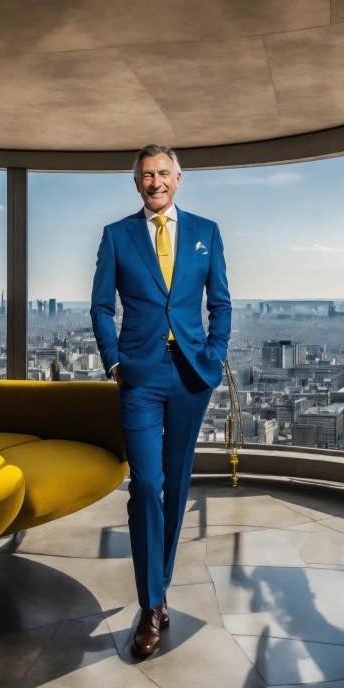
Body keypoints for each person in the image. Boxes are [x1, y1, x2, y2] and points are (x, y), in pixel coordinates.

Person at [91, 144, 231, 654]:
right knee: (146, 484)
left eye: (164, 173)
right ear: (137, 183)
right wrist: (115, 362)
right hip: (140, 377)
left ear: (178, 178)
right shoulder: (116, 236)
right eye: (147, 175)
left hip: (191, 375)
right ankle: (150, 605)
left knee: (176, 485)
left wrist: (213, 360)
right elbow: (101, 307)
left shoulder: (206, 232)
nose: (156, 182)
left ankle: (160, 589)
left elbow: (221, 302)